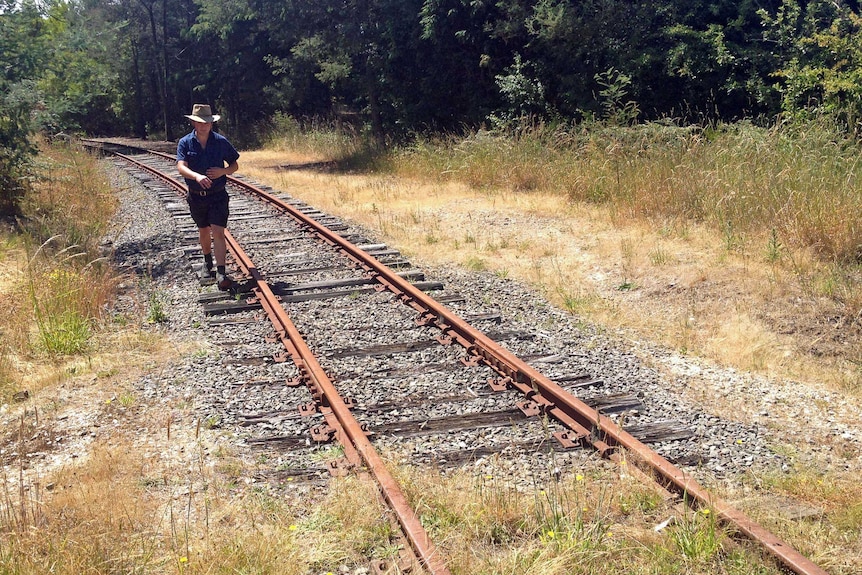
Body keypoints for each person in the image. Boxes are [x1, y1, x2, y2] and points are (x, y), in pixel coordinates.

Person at [176, 104, 240, 291]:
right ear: (193, 123)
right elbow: (180, 166)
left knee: (218, 231)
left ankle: (221, 272)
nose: (204, 126)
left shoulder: (221, 142)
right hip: (196, 196)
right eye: (200, 122)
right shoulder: (185, 143)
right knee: (204, 230)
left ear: (212, 123)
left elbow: (234, 165)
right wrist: (196, 176)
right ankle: (207, 262)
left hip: (218, 195)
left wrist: (223, 171)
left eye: (207, 122)